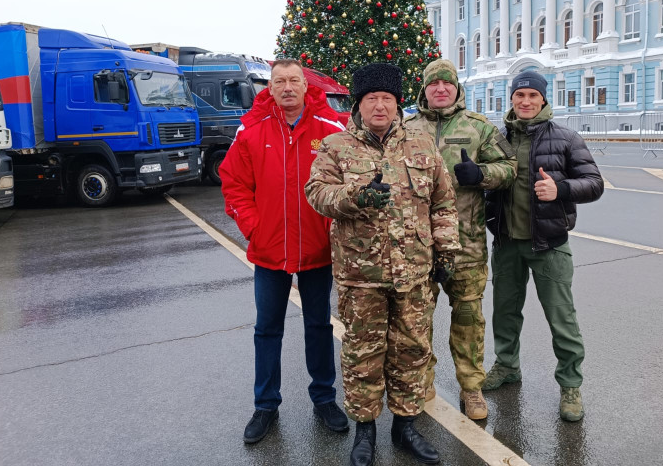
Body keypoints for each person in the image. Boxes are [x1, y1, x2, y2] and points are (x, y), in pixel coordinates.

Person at [305, 62, 461, 466]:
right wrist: (356, 196)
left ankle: (405, 426)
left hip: (414, 273)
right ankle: (365, 430)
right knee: (362, 354)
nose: (379, 106)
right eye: (371, 98)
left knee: (411, 349)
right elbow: (317, 193)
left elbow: (443, 202)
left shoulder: (422, 144)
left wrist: (445, 253)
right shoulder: (336, 146)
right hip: (361, 277)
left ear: (397, 103)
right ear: (359, 104)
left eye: (386, 99)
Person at [219, 58, 348, 444]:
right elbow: (234, 183)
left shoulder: (330, 130)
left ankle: (324, 398)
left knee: (319, 326)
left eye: (295, 80)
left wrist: (331, 229)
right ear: (270, 88)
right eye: (280, 82)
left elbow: (346, 181)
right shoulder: (252, 131)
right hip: (269, 250)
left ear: (306, 87)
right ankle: (265, 405)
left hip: (317, 250)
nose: (288, 87)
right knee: (267, 329)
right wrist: (253, 227)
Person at [482, 70, 603, 422]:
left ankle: (570, 385)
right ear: (511, 99)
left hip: (548, 244)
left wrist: (560, 189)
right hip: (506, 244)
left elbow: (594, 183)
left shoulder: (565, 138)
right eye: (519, 96)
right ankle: (507, 366)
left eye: (532, 96)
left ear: (543, 100)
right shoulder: (497, 138)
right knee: (504, 313)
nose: (525, 102)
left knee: (561, 318)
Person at [404, 58, 516, 421]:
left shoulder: (478, 128)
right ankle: (424, 381)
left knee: (468, 316)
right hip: (419, 246)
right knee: (417, 318)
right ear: (425, 89)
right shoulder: (405, 129)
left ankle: (471, 388)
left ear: (456, 88)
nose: (441, 89)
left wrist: (480, 174)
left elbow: (510, 168)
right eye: (434, 84)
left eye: (447, 84)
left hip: (466, 245)